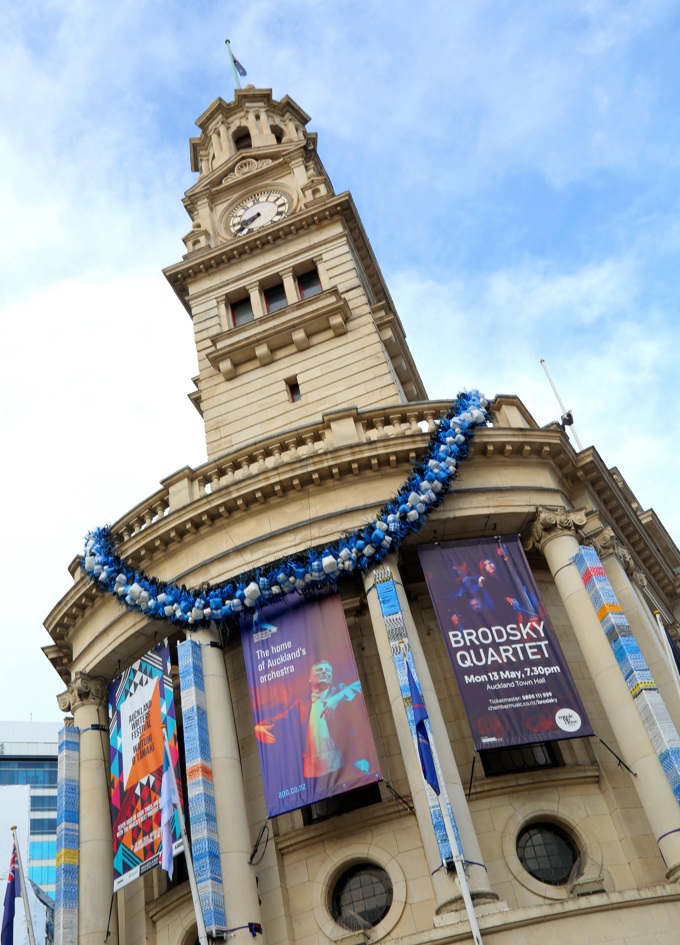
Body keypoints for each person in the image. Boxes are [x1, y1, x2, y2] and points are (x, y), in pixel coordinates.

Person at [254, 660, 373, 785]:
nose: (324, 672)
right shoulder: (301, 705)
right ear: (310, 678)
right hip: (313, 774)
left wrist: (338, 697)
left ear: (331, 678)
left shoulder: (339, 690)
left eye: (328, 670)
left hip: (342, 767)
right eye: (320, 670)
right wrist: (258, 728)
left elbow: (359, 684)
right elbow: (278, 719)